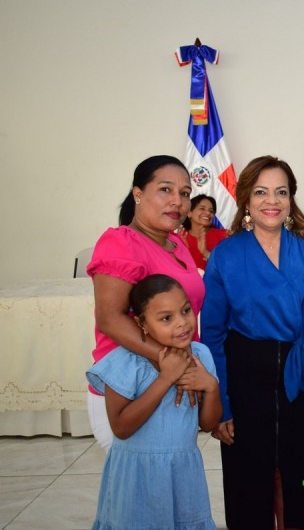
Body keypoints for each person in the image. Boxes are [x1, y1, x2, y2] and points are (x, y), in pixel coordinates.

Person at [201, 155, 304, 530]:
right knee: (248, 478)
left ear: (291, 198)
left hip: (300, 370)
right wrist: (221, 403)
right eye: (261, 192)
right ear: (246, 199)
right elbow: (212, 335)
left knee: (299, 473)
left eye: (281, 192)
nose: (272, 201)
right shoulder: (226, 254)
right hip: (244, 375)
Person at [86, 155, 205, 452]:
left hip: (176, 377)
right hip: (131, 386)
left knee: (171, 473)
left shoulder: (177, 243)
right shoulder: (121, 242)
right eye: (165, 189)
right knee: (138, 475)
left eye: (185, 193)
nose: (177, 201)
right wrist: (173, 361)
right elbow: (110, 319)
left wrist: (185, 367)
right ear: (138, 193)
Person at [87, 274, 221, 530]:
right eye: (166, 318)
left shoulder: (201, 355)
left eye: (185, 310)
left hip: (183, 473)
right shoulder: (125, 362)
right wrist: (166, 378)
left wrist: (211, 387)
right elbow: (121, 428)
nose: (182, 323)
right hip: (136, 477)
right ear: (142, 324)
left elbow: (208, 424)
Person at [180, 194, 229, 271]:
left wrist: (205, 253)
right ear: (189, 213)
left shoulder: (224, 236)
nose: (208, 213)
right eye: (202, 208)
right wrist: (182, 251)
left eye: (211, 211)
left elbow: (230, 267)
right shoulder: (180, 238)